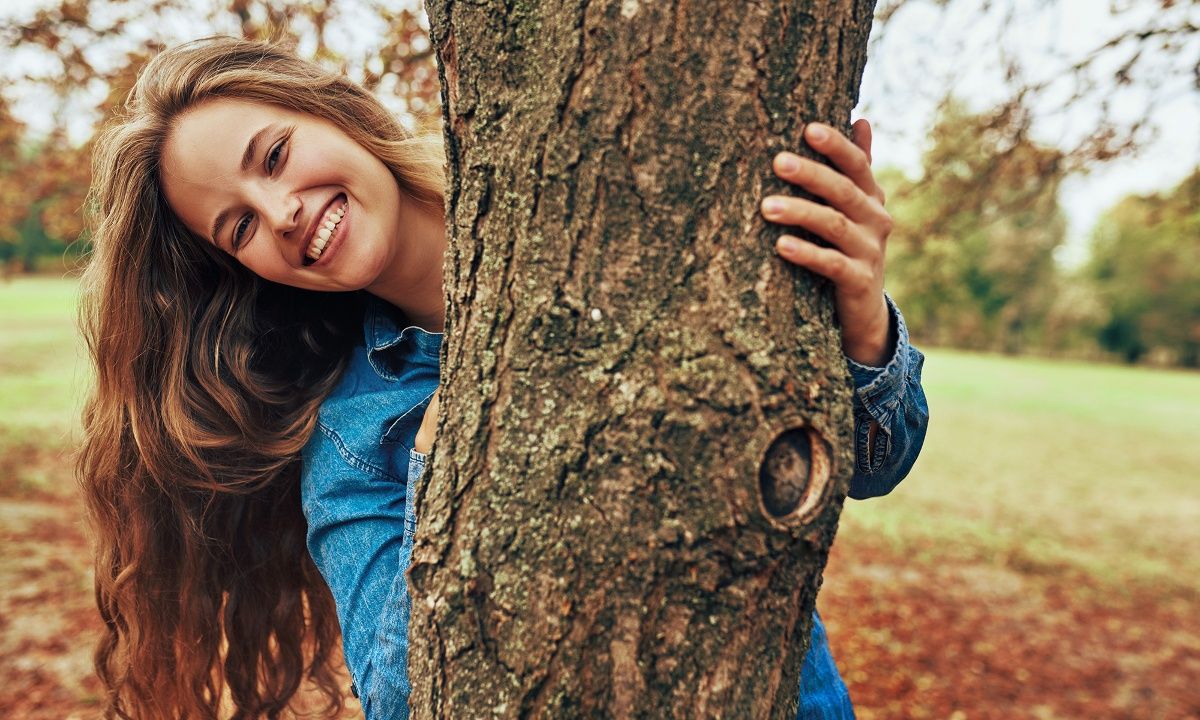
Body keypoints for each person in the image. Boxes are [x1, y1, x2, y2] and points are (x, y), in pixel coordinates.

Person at [79, 35, 927, 720]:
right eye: (239, 228)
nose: (282, 213)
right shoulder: (351, 437)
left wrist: (860, 319)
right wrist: (453, 444)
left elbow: (870, 466)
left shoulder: (588, 193)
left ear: (329, 111)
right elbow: (407, 698)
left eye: (273, 156)